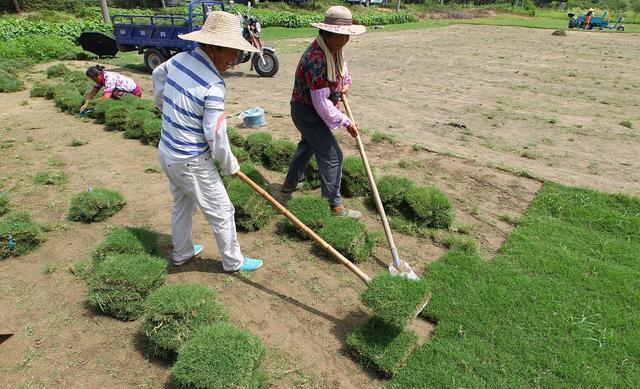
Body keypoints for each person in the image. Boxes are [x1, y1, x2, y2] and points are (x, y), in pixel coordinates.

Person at [152, 11, 263, 272]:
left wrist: (161, 104)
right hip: (191, 160)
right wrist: (230, 165)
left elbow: (158, 73)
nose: (234, 60)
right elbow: (215, 135)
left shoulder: (178, 60)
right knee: (223, 211)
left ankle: (182, 252)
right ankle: (233, 262)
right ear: (212, 47)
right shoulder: (214, 85)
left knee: (183, 204)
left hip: (168, 151)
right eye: (231, 52)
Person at [282, 6, 366, 219]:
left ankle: (291, 182)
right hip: (307, 113)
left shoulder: (333, 52)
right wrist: (346, 122)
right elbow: (321, 104)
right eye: (343, 36)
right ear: (328, 34)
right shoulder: (318, 58)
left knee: (308, 145)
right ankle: (334, 205)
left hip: (312, 110)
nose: (346, 40)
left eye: (348, 35)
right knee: (332, 155)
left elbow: (342, 75)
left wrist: (345, 85)